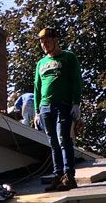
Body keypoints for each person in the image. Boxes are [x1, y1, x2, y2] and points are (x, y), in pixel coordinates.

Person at [33, 27, 82, 192]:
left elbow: (76, 80)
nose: (45, 45)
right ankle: (58, 174)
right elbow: (37, 88)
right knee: (52, 142)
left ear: (55, 40)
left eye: (47, 41)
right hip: (45, 107)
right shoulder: (41, 63)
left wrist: (76, 103)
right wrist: (36, 111)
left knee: (63, 139)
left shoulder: (68, 57)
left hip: (63, 104)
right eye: (42, 43)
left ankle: (69, 176)